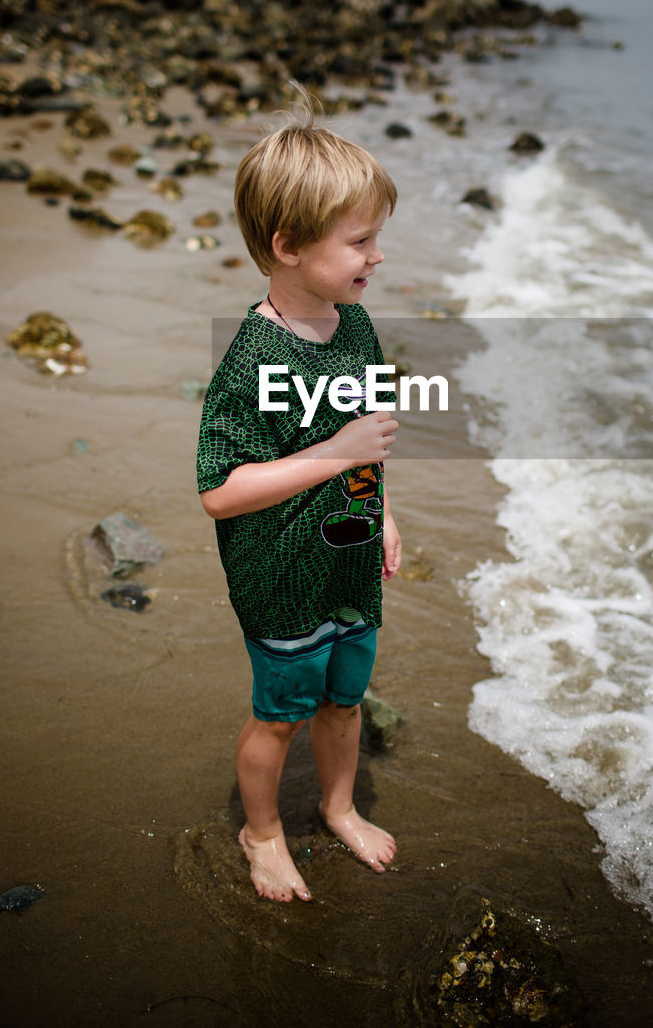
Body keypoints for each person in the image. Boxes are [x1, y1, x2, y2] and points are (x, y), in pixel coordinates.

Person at [196, 96, 401, 903]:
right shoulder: (249, 359)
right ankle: (262, 832)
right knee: (279, 714)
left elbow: (367, 439)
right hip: (280, 574)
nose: (376, 256)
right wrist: (332, 454)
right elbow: (220, 491)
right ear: (286, 246)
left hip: (347, 562)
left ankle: (340, 806)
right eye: (359, 240)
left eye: (375, 236)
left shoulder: (353, 325)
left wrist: (383, 508)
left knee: (345, 703)